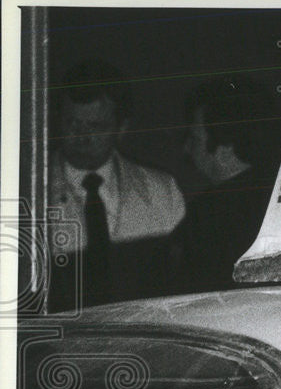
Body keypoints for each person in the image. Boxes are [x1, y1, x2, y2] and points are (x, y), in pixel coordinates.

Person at [48, 59, 186, 311]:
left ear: (121, 128)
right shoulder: (28, 193)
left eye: (96, 126)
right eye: (72, 123)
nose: (82, 136)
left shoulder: (162, 192)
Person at [175, 75, 275, 293]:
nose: (186, 149)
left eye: (194, 138)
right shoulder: (279, 196)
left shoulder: (207, 215)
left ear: (225, 143)